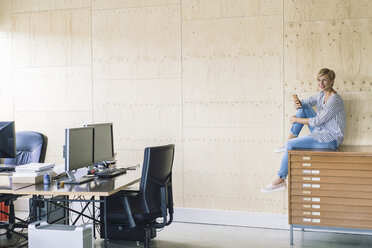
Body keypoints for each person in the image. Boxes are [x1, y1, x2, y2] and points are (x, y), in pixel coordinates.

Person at [261, 68, 346, 193]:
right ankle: (290, 138)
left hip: (331, 138)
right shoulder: (321, 95)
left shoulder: (335, 100)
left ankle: (280, 179)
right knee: (304, 107)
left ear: (332, 81)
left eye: (324, 80)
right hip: (321, 130)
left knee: (290, 146)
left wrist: (296, 119)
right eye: (319, 80)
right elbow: (305, 103)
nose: (321, 84)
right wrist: (297, 104)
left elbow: (317, 121)